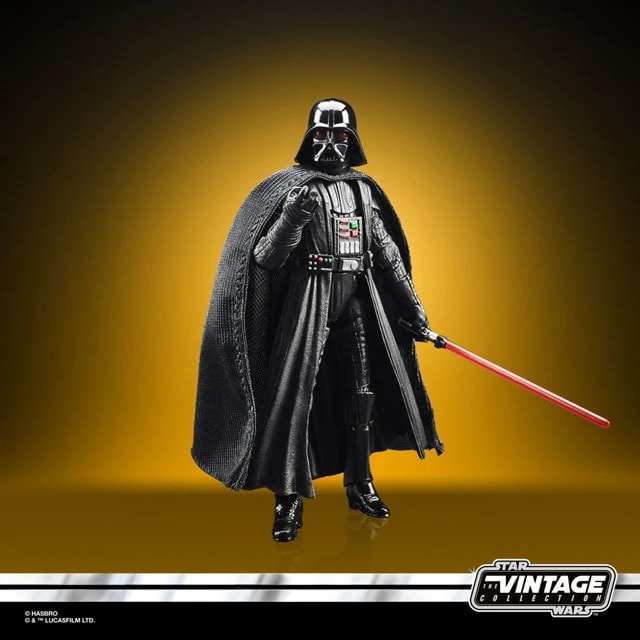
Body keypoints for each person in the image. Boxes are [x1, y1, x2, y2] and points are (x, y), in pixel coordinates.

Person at [192, 98, 444, 542]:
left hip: (357, 302)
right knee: (294, 397)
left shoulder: (363, 191)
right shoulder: (293, 189)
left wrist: (413, 308)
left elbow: (386, 254)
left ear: (353, 139)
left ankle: (360, 482)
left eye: (339, 135)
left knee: (361, 393)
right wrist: (293, 216)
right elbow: (267, 259)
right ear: (310, 138)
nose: (331, 144)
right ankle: (288, 497)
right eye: (322, 135)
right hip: (308, 302)